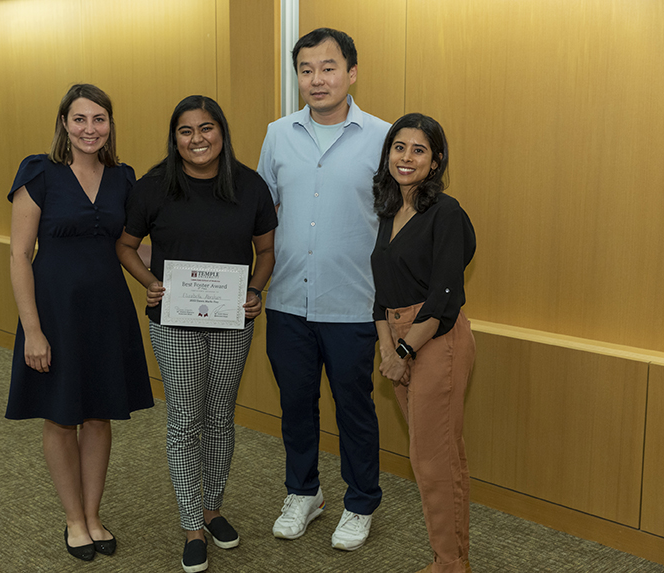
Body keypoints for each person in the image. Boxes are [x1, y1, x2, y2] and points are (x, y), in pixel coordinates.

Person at [116, 95, 277, 573]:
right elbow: (125, 246)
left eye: (207, 128)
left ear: (222, 132)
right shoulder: (153, 187)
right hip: (175, 322)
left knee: (221, 418)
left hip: (232, 320)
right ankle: (191, 525)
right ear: (175, 138)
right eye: (186, 131)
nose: (197, 139)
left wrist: (254, 289)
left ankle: (213, 509)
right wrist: (150, 284)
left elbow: (265, 250)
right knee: (185, 420)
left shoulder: (249, 186)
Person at [6, 84, 154, 562]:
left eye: (99, 120)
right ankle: (73, 519)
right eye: (80, 119)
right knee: (60, 415)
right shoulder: (40, 174)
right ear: (64, 124)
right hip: (54, 314)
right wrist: (32, 329)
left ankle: (93, 514)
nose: (90, 129)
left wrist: (192, 270)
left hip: (108, 311)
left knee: (99, 414)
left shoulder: (123, 178)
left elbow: (129, 246)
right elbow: (18, 255)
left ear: (110, 125)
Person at [256, 27, 390, 551]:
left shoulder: (382, 137)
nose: (317, 79)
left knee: (354, 408)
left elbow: (397, 222)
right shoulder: (277, 134)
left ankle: (360, 502)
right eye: (307, 70)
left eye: (328, 68)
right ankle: (303, 492)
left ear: (351, 73)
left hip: (354, 302)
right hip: (288, 299)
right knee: (296, 404)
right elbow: (263, 214)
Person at [370, 113, 476, 573]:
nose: (406, 157)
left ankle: (449, 565)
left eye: (419, 150)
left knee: (433, 462)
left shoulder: (446, 213)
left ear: (435, 162)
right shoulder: (389, 209)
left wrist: (405, 350)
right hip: (396, 337)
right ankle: (451, 560)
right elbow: (380, 289)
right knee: (432, 456)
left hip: (435, 339)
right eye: (399, 147)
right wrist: (385, 347)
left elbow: (444, 296)